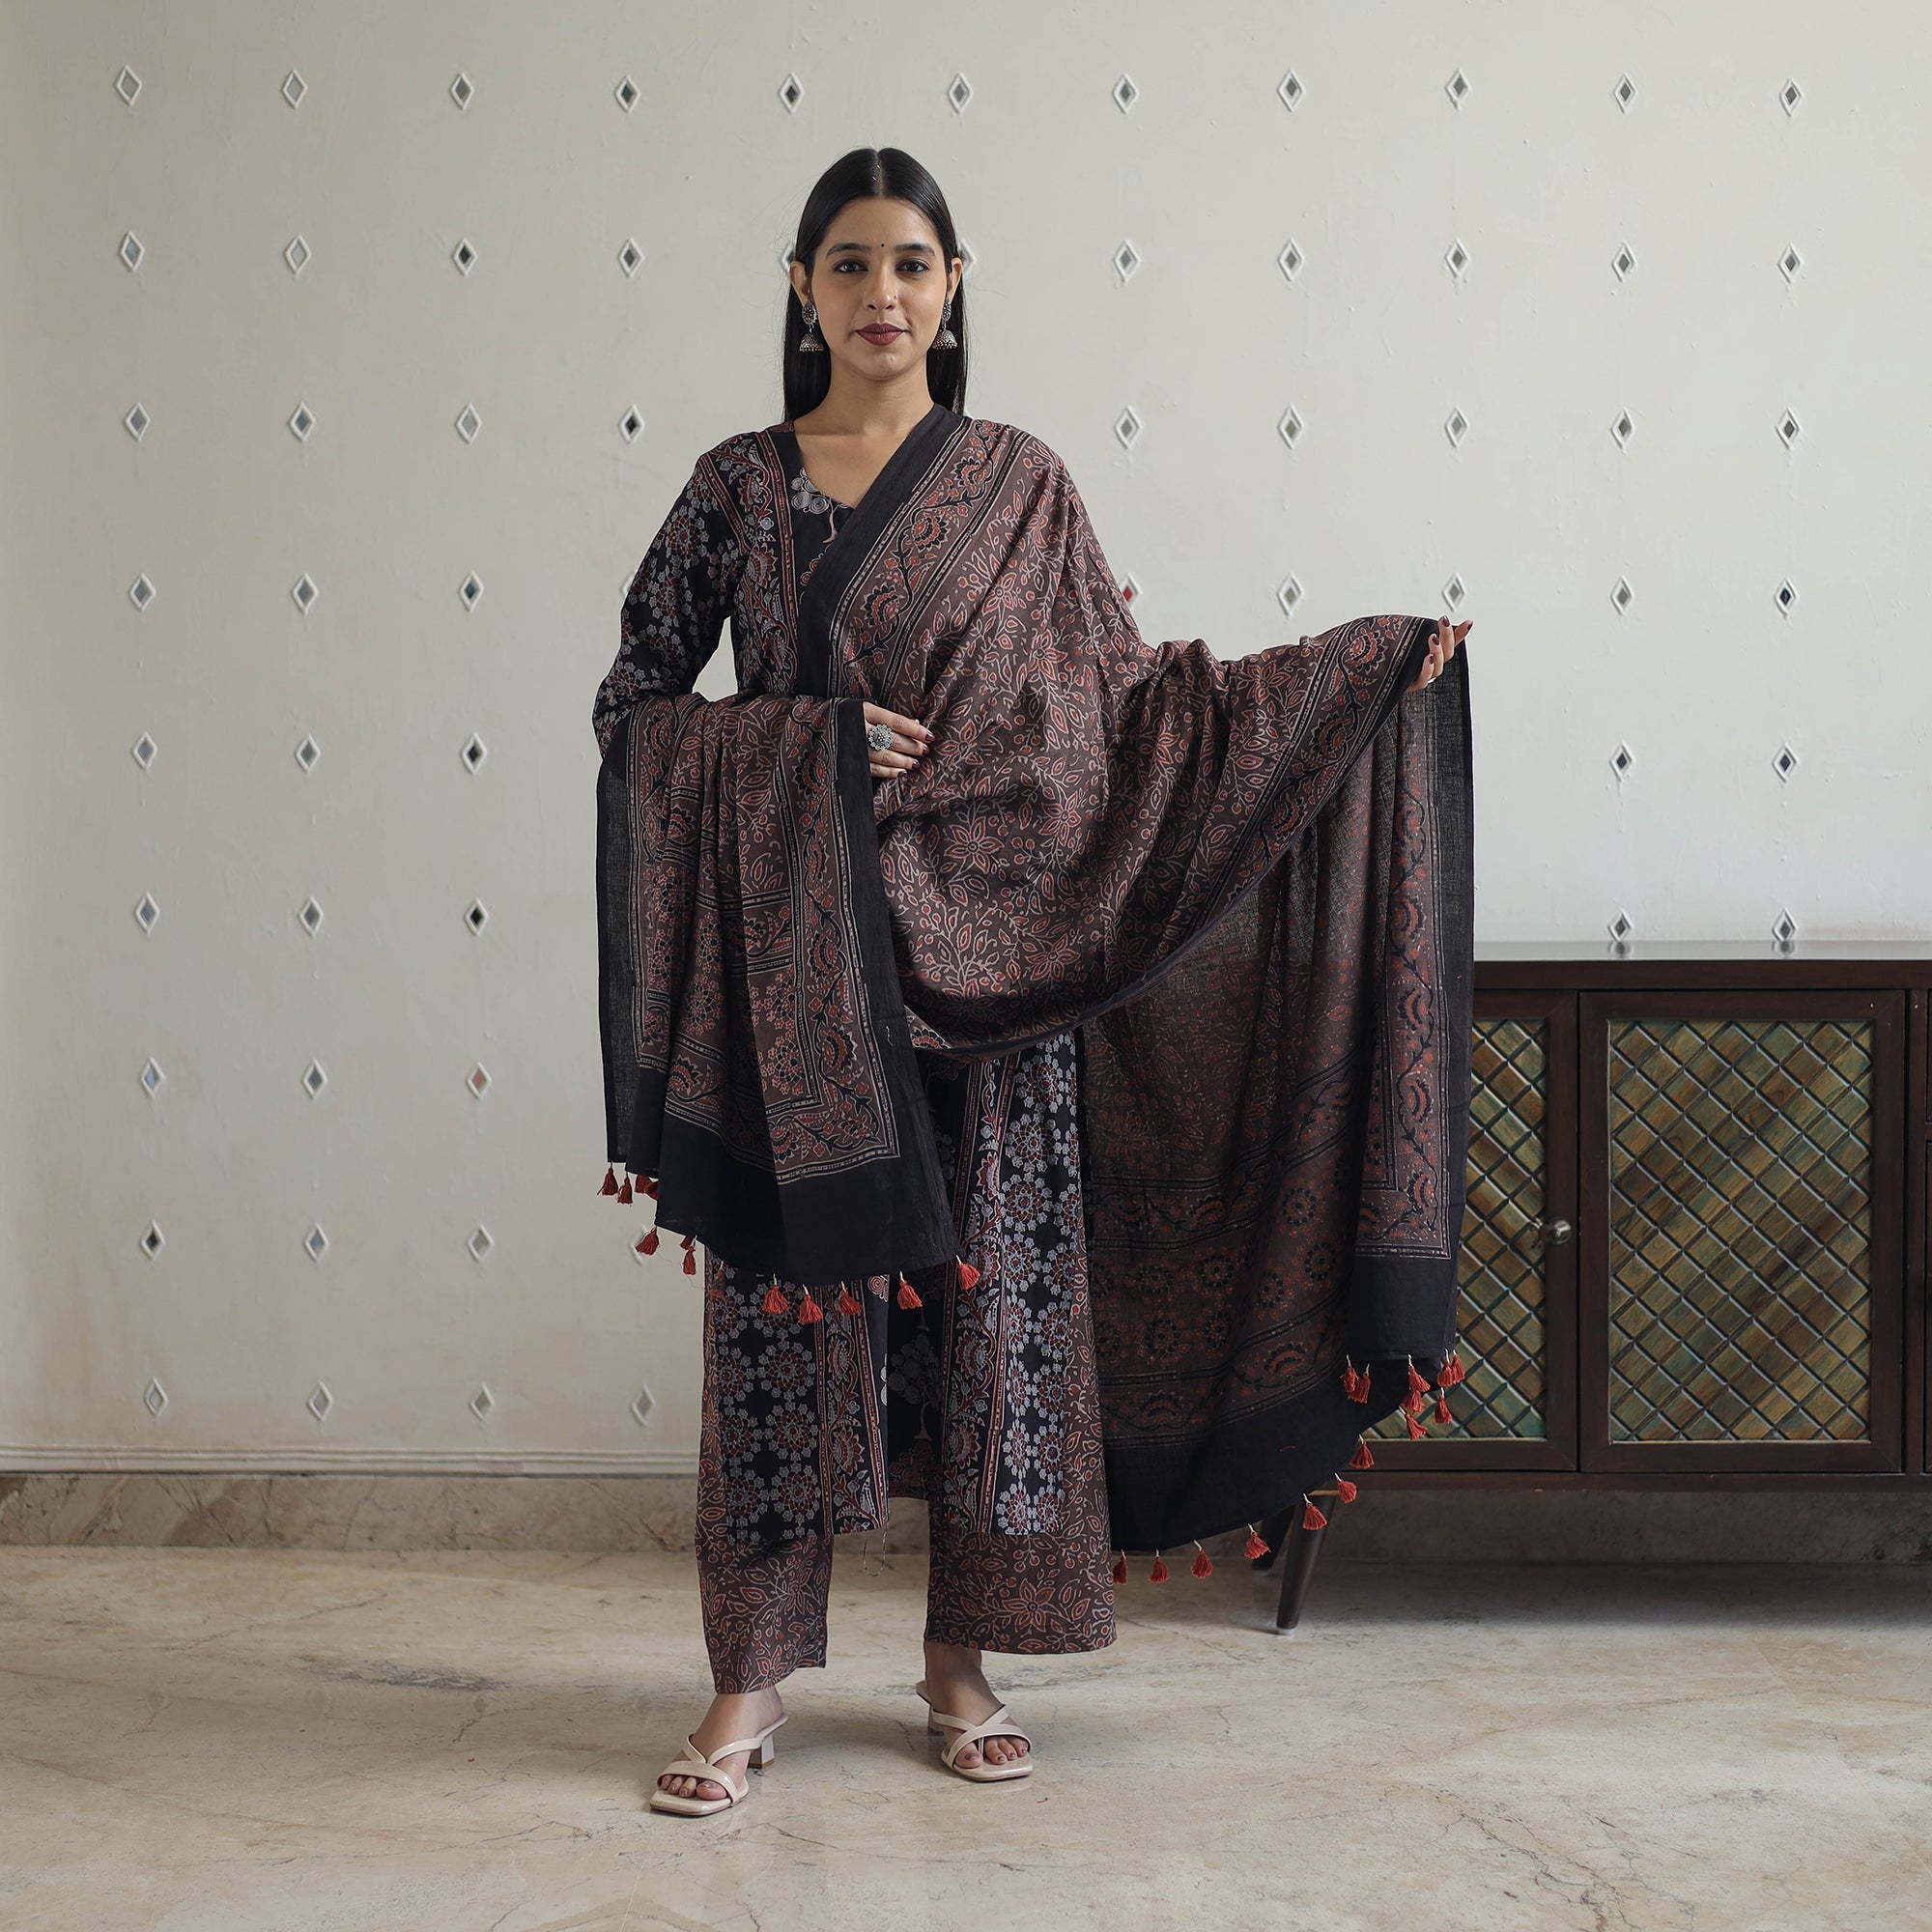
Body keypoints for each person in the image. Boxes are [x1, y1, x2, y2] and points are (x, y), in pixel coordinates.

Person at [589, 147, 1472, 1816]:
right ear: (803, 288)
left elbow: (1131, 718)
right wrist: (801, 746)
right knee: (780, 1339)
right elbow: (634, 710)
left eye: (912, 263)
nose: (883, 294)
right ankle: (746, 1683)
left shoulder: (1022, 485)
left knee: (1006, 1324)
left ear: (954, 283)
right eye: (851, 264)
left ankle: (962, 1664)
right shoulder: (737, 493)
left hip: (1009, 976)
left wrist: (1359, 672)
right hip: (803, 981)